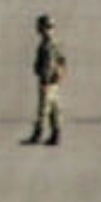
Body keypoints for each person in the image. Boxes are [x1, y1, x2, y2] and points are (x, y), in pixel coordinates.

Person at [23, 15, 65, 145]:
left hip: (47, 81)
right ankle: (56, 135)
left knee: (43, 110)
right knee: (54, 109)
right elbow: (62, 60)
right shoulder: (56, 42)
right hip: (55, 81)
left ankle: (38, 135)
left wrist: (45, 82)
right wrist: (60, 75)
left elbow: (48, 64)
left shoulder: (47, 45)